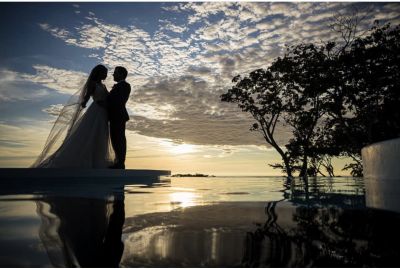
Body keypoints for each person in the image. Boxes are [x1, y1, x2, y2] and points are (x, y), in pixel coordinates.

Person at [32, 64, 114, 168]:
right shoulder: (93, 84)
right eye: (105, 73)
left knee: (101, 135)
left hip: (103, 112)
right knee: (90, 134)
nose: (106, 75)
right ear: (99, 73)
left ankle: (97, 161)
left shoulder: (103, 85)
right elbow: (87, 96)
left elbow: (108, 97)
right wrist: (83, 103)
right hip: (96, 110)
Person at [107, 66, 131, 169]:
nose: (113, 74)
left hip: (119, 116)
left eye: (115, 72)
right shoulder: (120, 86)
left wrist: (104, 103)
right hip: (115, 116)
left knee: (119, 139)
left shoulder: (125, 85)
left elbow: (118, 101)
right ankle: (118, 161)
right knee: (115, 138)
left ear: (121, 74)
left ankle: (120, 162)